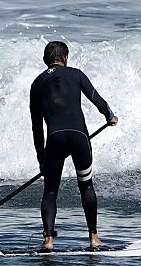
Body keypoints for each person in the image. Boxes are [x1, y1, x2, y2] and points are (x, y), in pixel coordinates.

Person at [29, 40, 118, 252]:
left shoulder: (37, 83)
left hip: (55, 139)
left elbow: (36, 126)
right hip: (79, 138)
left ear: (45, 60)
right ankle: (94, 238)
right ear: (65, 58)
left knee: (50, 192)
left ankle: (48, 241)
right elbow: (96, 98)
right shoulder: (76, 74)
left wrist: (42, 158)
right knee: (86, 186)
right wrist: (110, 116)